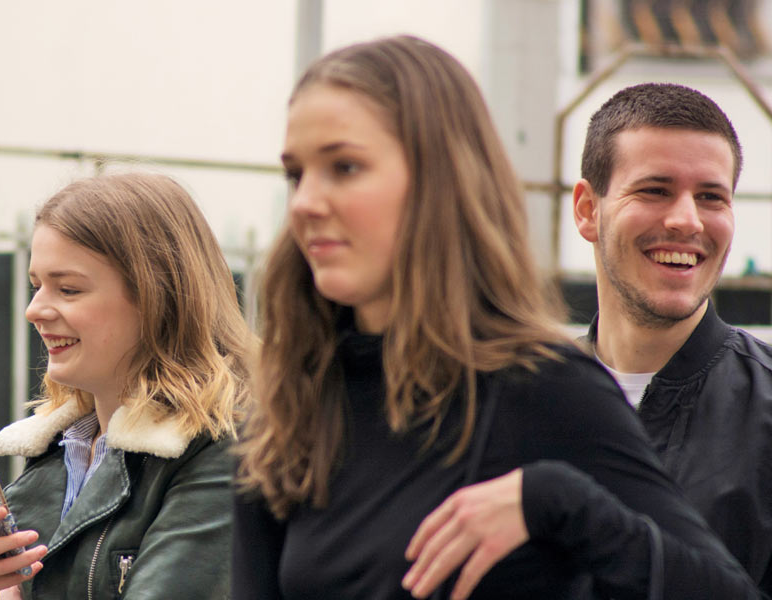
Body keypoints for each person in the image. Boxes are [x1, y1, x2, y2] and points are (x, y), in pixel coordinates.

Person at [232, 35, 760, 599]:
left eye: (345, 166)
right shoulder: (290, 408)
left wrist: (560, 503)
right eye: (297, 174)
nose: (308, 201)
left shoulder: (545, 390)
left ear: (439, 180)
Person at [0, 172, 252, 599]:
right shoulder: (55, 453)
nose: (34, 310)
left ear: (158, 296)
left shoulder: (224, 451)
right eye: (36, 286)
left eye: (67, 289)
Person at [571, 82, 772, 592]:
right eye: (655, 190)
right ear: (587, 210)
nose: (686, 220)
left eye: (711, 197)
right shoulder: (515, 401)